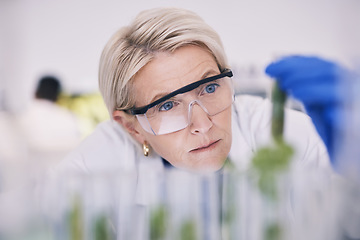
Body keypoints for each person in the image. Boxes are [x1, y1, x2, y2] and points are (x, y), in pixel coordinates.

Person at [53, 7, 331, 177]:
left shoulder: (282, 133)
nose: (202, 124)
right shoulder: (97, 165)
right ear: (132, 128)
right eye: (166, 105)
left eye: (209, 87)